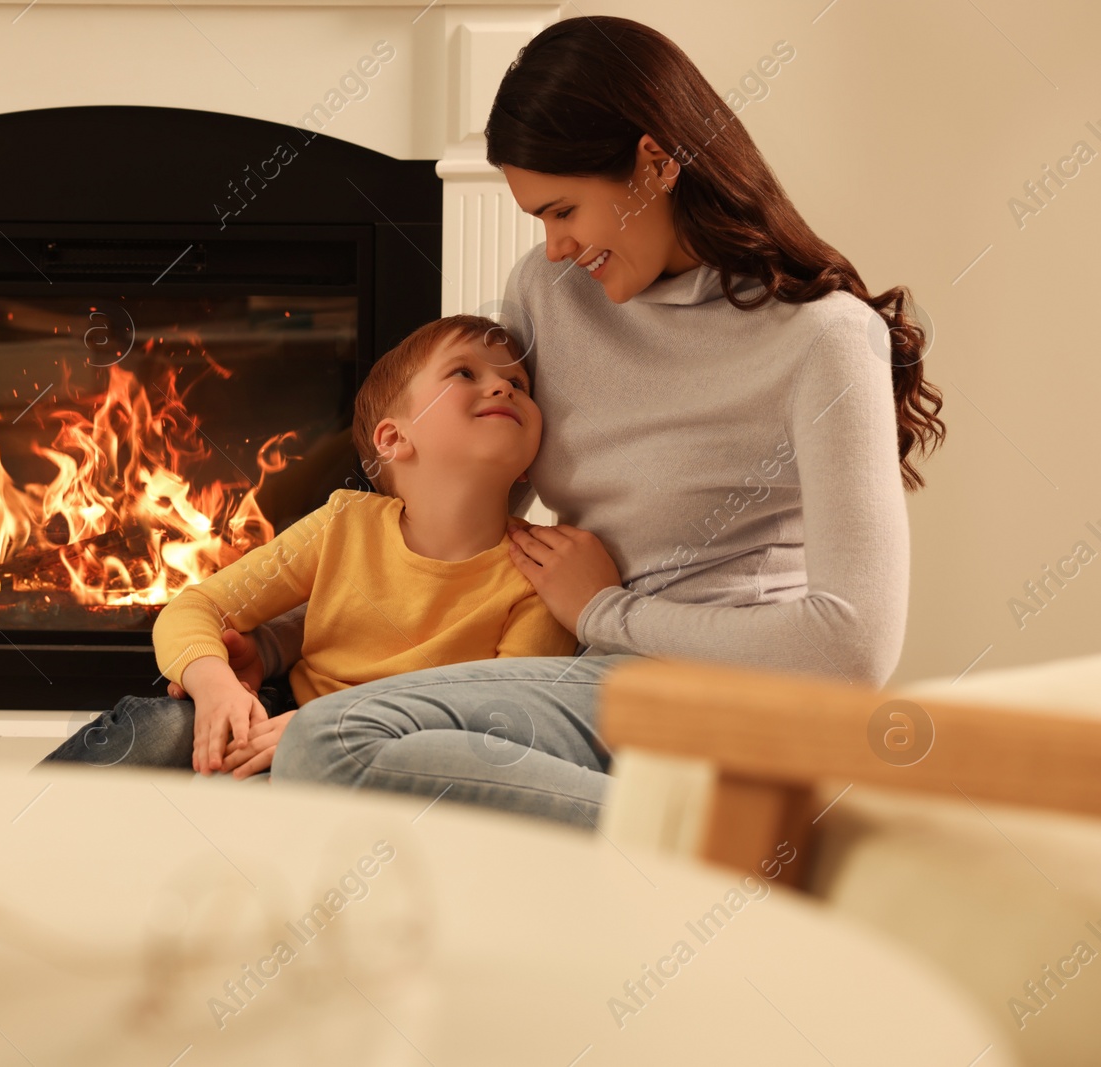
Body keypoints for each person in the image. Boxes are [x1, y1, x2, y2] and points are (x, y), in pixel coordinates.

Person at [204, 14, 945, 830]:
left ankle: (749, 847)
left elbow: (853, 648)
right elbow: (463, 511)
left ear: (656, 164)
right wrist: (279, 641)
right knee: (296, 743)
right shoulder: (553, 294)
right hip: (593, 683)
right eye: (539, 222)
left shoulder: (825, 340)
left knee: (329, 746)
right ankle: (690, 839)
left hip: (737, 703)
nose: (555, 248)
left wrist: (606, 613)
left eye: (564, 211)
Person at [42, 314, 579, 777]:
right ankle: (11, 832)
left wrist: (331, 731)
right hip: (286, 713)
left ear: (531, 458)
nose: (505, 387)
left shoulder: (540, 571)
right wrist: (216, 688)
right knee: (161, 727)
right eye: (466, 372)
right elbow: (196, 607)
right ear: (393, 439)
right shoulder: (345, 522)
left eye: (520, 384)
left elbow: (505, 711)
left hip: (406, 746)